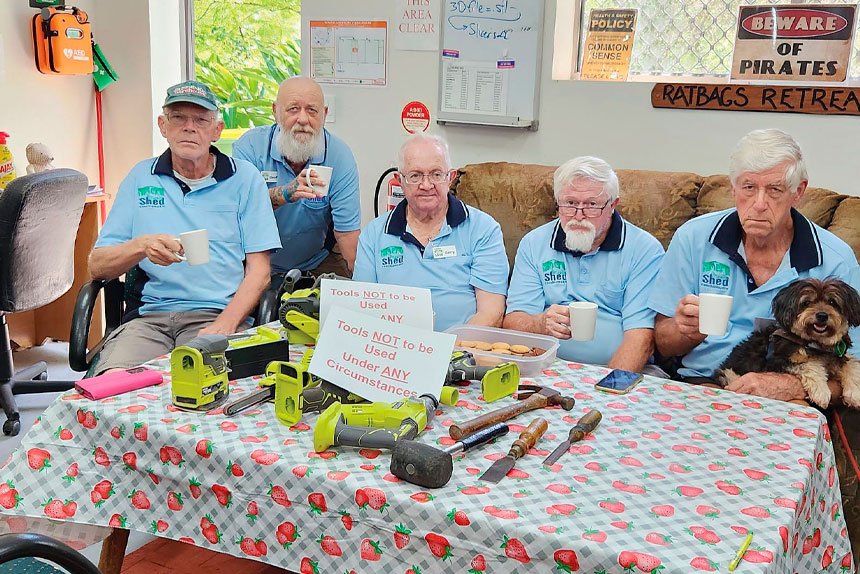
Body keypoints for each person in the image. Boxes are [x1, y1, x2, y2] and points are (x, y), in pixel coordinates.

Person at [649, 128, 860, 397]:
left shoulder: (836, 260)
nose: (759, 204)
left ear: (798, 192)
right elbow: (663, 344)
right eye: (749, 187)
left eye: (774, 190)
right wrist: (686, 331)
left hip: (788, 394)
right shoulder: (693, 238)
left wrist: (791, 386)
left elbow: (852, 365)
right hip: (701, 383)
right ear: (733, 187)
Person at [88, 80, 281, 373]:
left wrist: (225, 325)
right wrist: (141, 246)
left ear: (216, 130)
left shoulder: (245, 179)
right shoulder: (141, 177)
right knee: (114, 386)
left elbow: (260, 273)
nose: (189, 127)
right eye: (178, 117)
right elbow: (97, 266)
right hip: (149, 320)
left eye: (201, 119)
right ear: (163, 125)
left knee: (201, 388)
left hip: (214, 314)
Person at [503, 156, 665, 373]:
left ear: (612, 206)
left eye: (591, 205)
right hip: (546, 366)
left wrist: (607, 388)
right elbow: (514, 321)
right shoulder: (534, 243)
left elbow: (641, 338)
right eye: (570, 204)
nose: (579, 216)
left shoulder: (644, 249)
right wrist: (540, 324)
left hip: (619, 370)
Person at [353, 134, 508, 331]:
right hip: (393, 348)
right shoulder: (373, 235)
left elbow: (491, 314)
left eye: (436, 174)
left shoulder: (483, 229)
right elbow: (362, 311)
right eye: (415, 175)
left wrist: (444, 351)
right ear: (400, 180)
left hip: (462, 351)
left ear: (450, 178)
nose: (426, 185)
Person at [232, 76, 360, 279]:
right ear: (275, 111)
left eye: (312, 110)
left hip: (316, 260)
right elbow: (238, 212)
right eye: (293, 109)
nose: (302, 119)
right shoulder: (249, 148)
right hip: (254, 261)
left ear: (324, 114)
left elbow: (346, 234)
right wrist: (284, 194)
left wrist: (370, 293)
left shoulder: (339, 156)